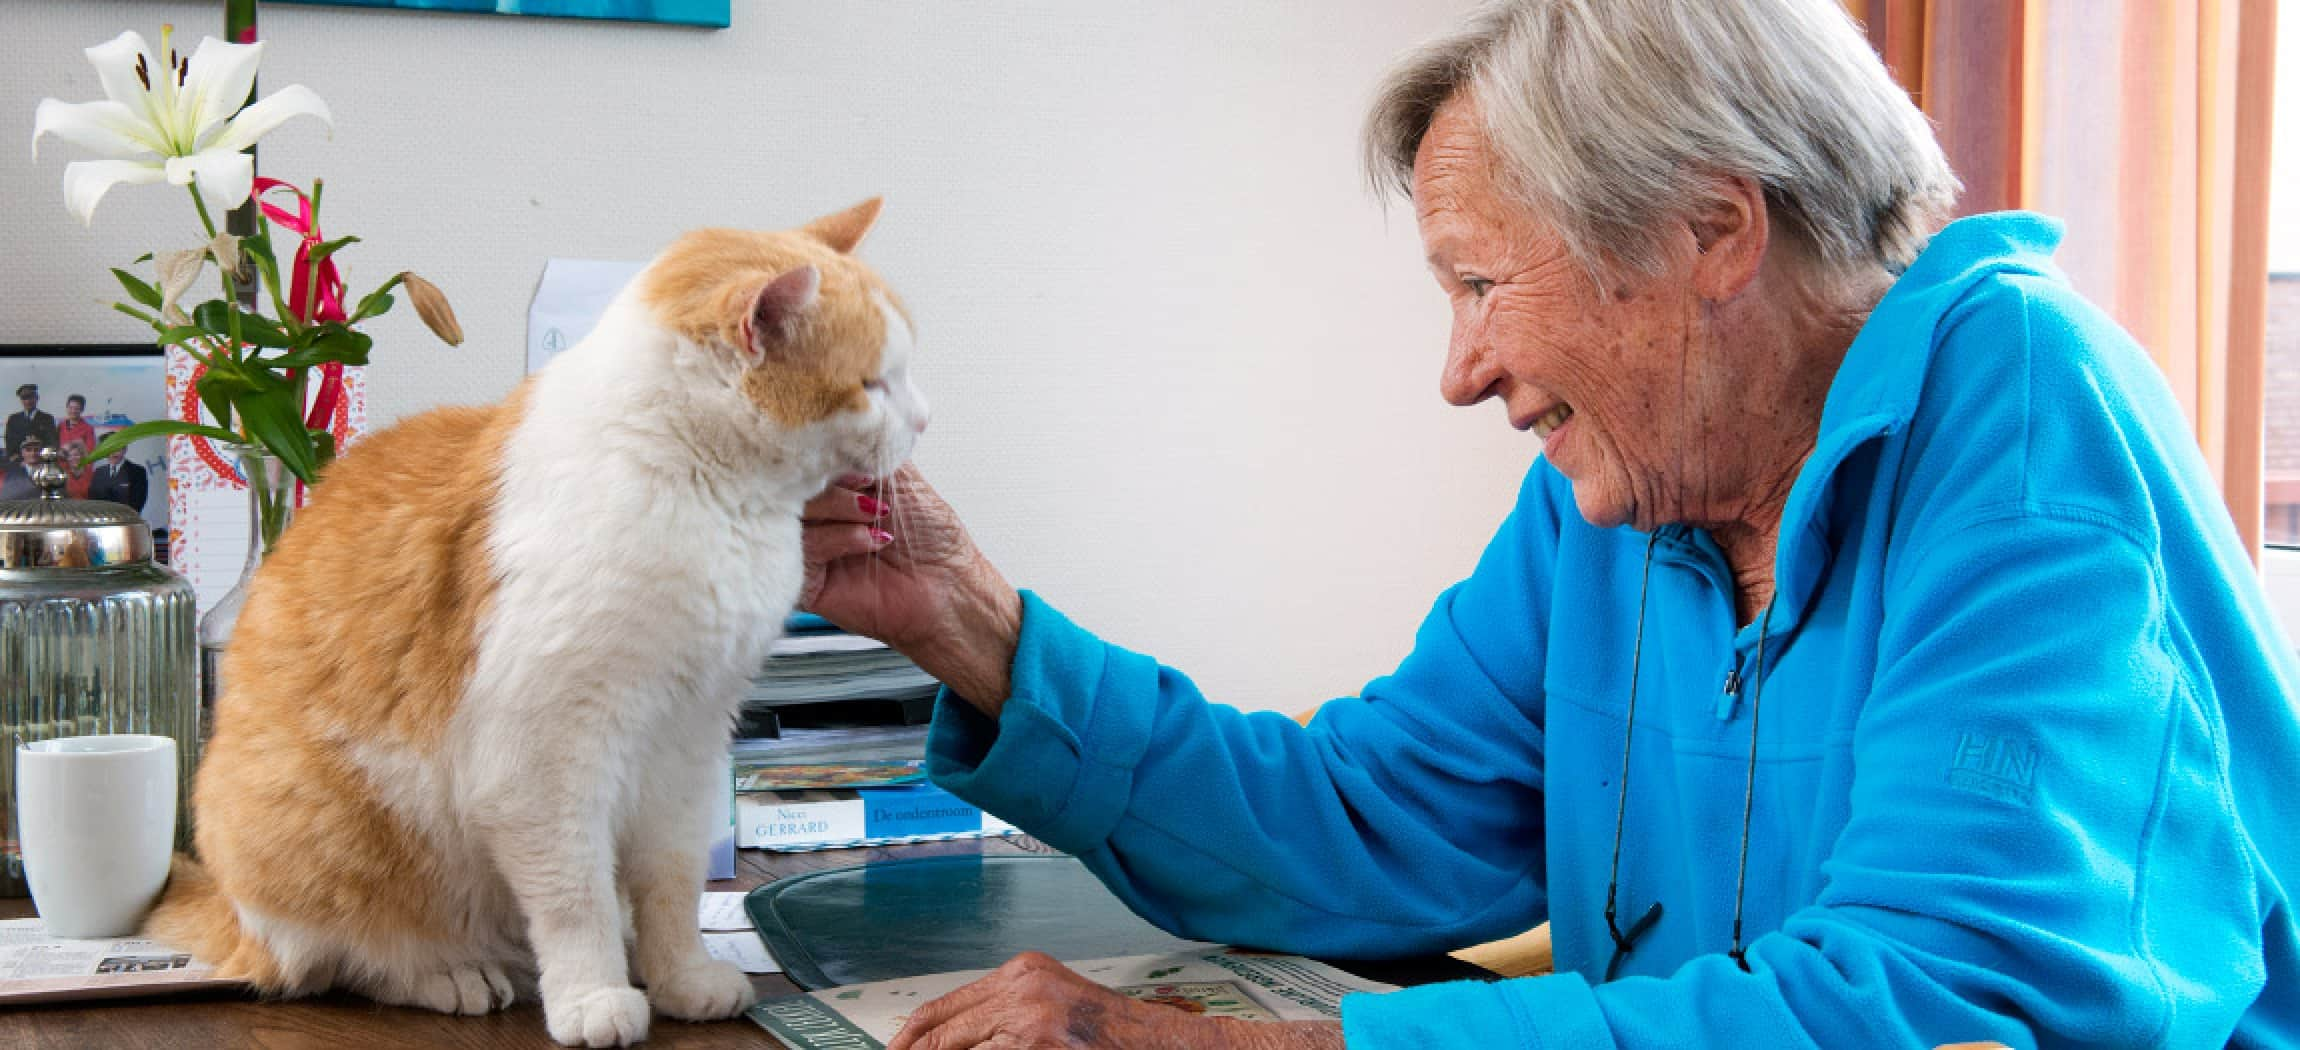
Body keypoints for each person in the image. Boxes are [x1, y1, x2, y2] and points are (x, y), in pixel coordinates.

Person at [794, 2, 2299, 1047]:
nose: (1460, 373)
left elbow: (1932, 1010)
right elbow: (1360, 823)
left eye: (1478, 283)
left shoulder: (2026, 423)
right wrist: (971, 627)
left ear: (1712, 230)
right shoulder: (1626, 493)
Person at [88, 447, 149, 515]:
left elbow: (137, 503)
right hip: (103, 520)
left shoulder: (137, 471)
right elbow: (93, 500)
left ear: (125, 450)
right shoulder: (99, 472)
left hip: (126, 521)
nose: (113, 452)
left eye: (117, 448)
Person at [5, 384, 57, 460]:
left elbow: (51, 441)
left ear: (37, 398)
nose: (28, 401)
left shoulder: (47, 418)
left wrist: (43, 458)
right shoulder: (13, 419)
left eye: (31, 397)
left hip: (41, 461)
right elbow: (10, 443)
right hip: (20, 462)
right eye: (24, 398)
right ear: (21, 400)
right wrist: (16, 458)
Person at [55, 394, 94, 459]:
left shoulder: (88, 429)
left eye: (76, 408)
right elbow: (55, 447)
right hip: (61, 465)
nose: (73, 411)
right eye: (70, 408)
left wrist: (76, 444)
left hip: (78, 466)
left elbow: (89, 453)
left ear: (82, 410)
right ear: (66, 408)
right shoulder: (60, 426)